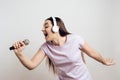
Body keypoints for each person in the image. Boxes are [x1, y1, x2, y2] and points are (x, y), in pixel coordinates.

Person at [12, 17, 115, 80]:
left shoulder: (75, 39)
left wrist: (104, 62)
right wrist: (19, 54)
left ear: (55, 28)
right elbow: (31, 65)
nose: (42, 29)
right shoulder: (46, 47)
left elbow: (92, 52)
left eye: (46, 26)